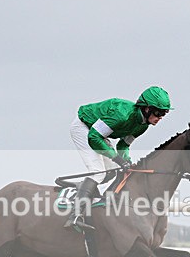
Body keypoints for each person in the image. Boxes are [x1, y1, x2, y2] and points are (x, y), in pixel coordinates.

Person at [64, 86, 173, 230]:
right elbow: (93, 137)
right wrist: (117, 159)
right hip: (84, 127)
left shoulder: (143, 126)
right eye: (158, 113)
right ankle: (75, 216)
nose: (159, 118)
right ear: (146, 109)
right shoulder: (121, 115)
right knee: (98, 172)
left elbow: (123, 145)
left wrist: (126, 160)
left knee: (113, 171)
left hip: (97, 134)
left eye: (163, 114)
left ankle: (85, 191)